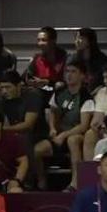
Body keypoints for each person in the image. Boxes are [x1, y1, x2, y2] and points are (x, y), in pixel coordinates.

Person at [34, 63, 94, 192]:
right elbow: (52, 111)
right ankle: (41, 181)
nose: (69, 75)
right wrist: (52, 128)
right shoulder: (59, 92)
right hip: (58, 135)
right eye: (67, 71)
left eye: (73, 71)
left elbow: (83, 126)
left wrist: (64, 135)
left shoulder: (86, 97)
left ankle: (75, 183)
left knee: (72, 140)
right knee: (37, 150)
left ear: (82, 76)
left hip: (77, 135)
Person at [24, 26, 67, 94]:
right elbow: (26, 78)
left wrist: (47, 82)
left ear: (53, 41)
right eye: (38, 40)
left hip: (59, 94)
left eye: (44, 40)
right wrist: (31, 81)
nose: (40, 44)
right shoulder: (36, 58)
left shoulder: (65, 59)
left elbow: (67, 82)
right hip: (40, 93)